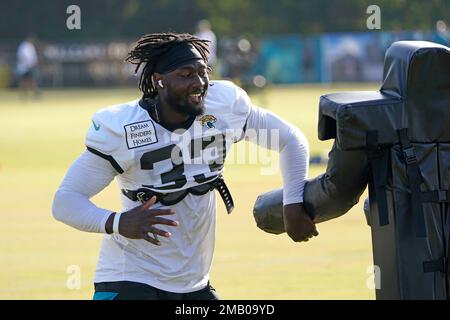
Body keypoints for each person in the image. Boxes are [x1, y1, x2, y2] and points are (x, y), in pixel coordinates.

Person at [52, 32, 316, 300]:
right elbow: (65, 200)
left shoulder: (222, 105)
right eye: (186, 74)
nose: (199, 83)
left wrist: (292, 204)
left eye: (203, 72)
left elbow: (291, 140)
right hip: (130, 275)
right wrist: (117, 222)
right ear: (159, 81)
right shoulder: (125, 128)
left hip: (193, 282)